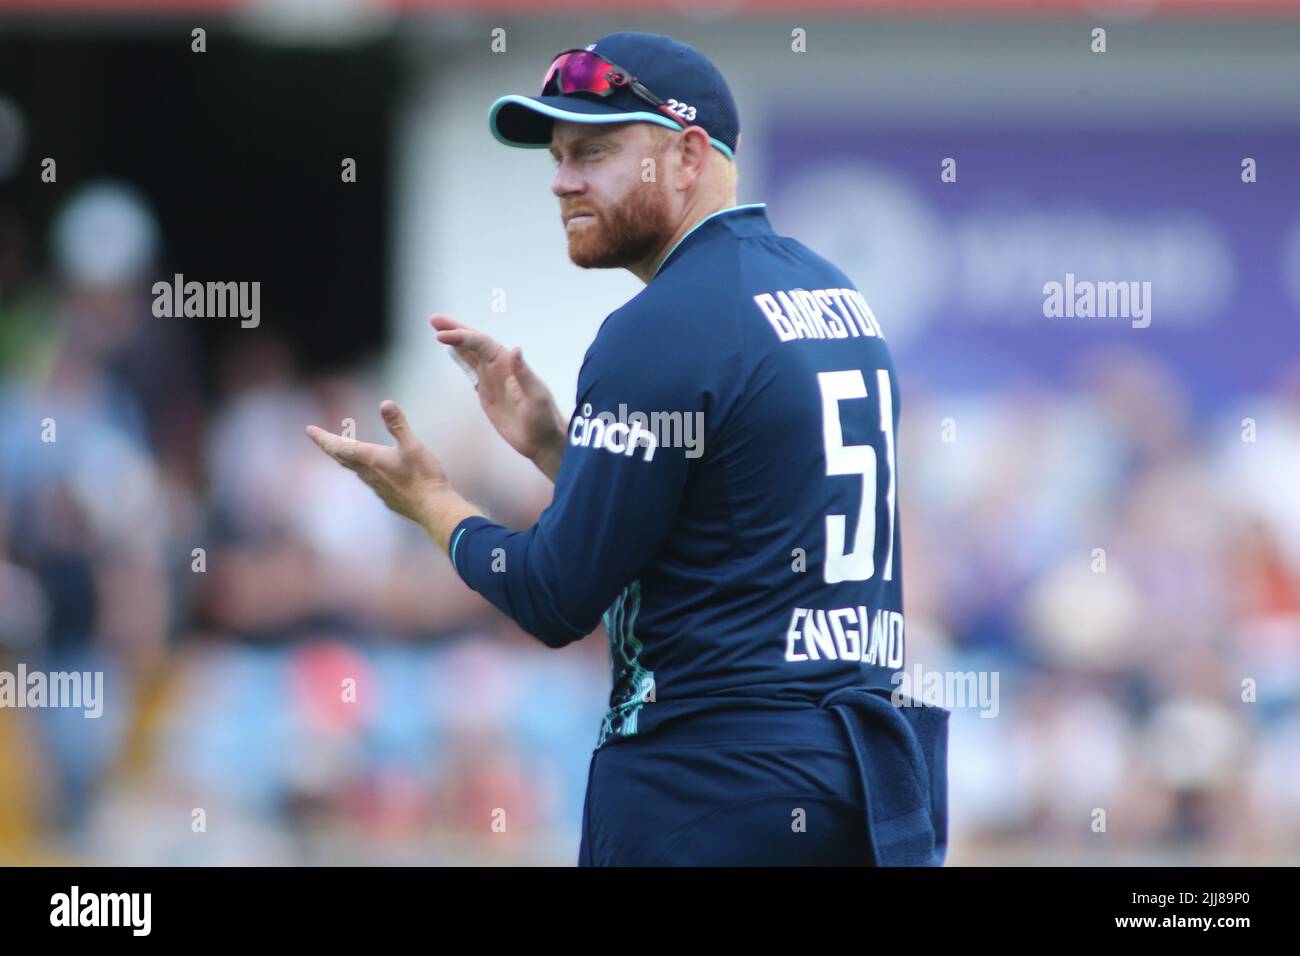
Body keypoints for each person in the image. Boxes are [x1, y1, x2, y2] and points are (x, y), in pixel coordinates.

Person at [308, 31, 948, 866]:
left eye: (595, 152)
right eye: (559, 155)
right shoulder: (834, 293)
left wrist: (429, 498)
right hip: (857, 785)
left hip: (708, 785)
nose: (562, 180)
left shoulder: (659, 328)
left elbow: (554, 597)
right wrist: (554, 447)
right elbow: (721, 530)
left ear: (687, 156)